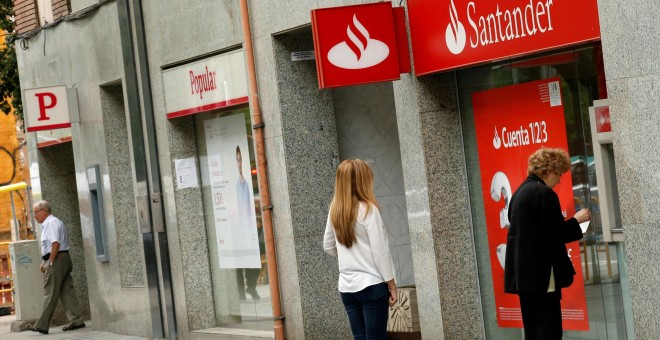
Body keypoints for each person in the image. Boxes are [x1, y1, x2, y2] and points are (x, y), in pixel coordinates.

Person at [504, 148, 591, 339]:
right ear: (549, 170)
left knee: (532, 328)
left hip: (524, 277)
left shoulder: (520, 193)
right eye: (559, 173)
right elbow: (555, 234)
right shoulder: (544, 194)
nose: (559, 180)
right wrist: (577, 220)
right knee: (548, 328)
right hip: (543, 276)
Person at [323, 159, 398, 340]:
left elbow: (328, 246)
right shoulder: (368, 210)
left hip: (347, 287)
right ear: (363, 181)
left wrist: (348, 256)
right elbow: (380, 253)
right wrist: (392, 285)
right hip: (371, 284)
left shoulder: (335, 209)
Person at [27, 200, 85, 334]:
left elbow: (55, 244)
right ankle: (77, 320)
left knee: (49, 292)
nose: (34, 216)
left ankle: (41, 325)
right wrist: (45, 261)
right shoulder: (53, 222)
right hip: (62, 258)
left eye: (36, 213)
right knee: (66, 291)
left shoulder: (51, 223)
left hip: (57, 258)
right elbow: (50, 246)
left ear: (44, 211)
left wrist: (51, 262)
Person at [234, 145, 260, 301]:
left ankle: (251, 287)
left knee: (253, 260)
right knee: (238, 262)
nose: (239, 162)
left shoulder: (248, 184)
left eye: (240, 159)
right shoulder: (235, 185)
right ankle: (241, 291)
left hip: (250, 228)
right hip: (238, 228)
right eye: (237, 159)